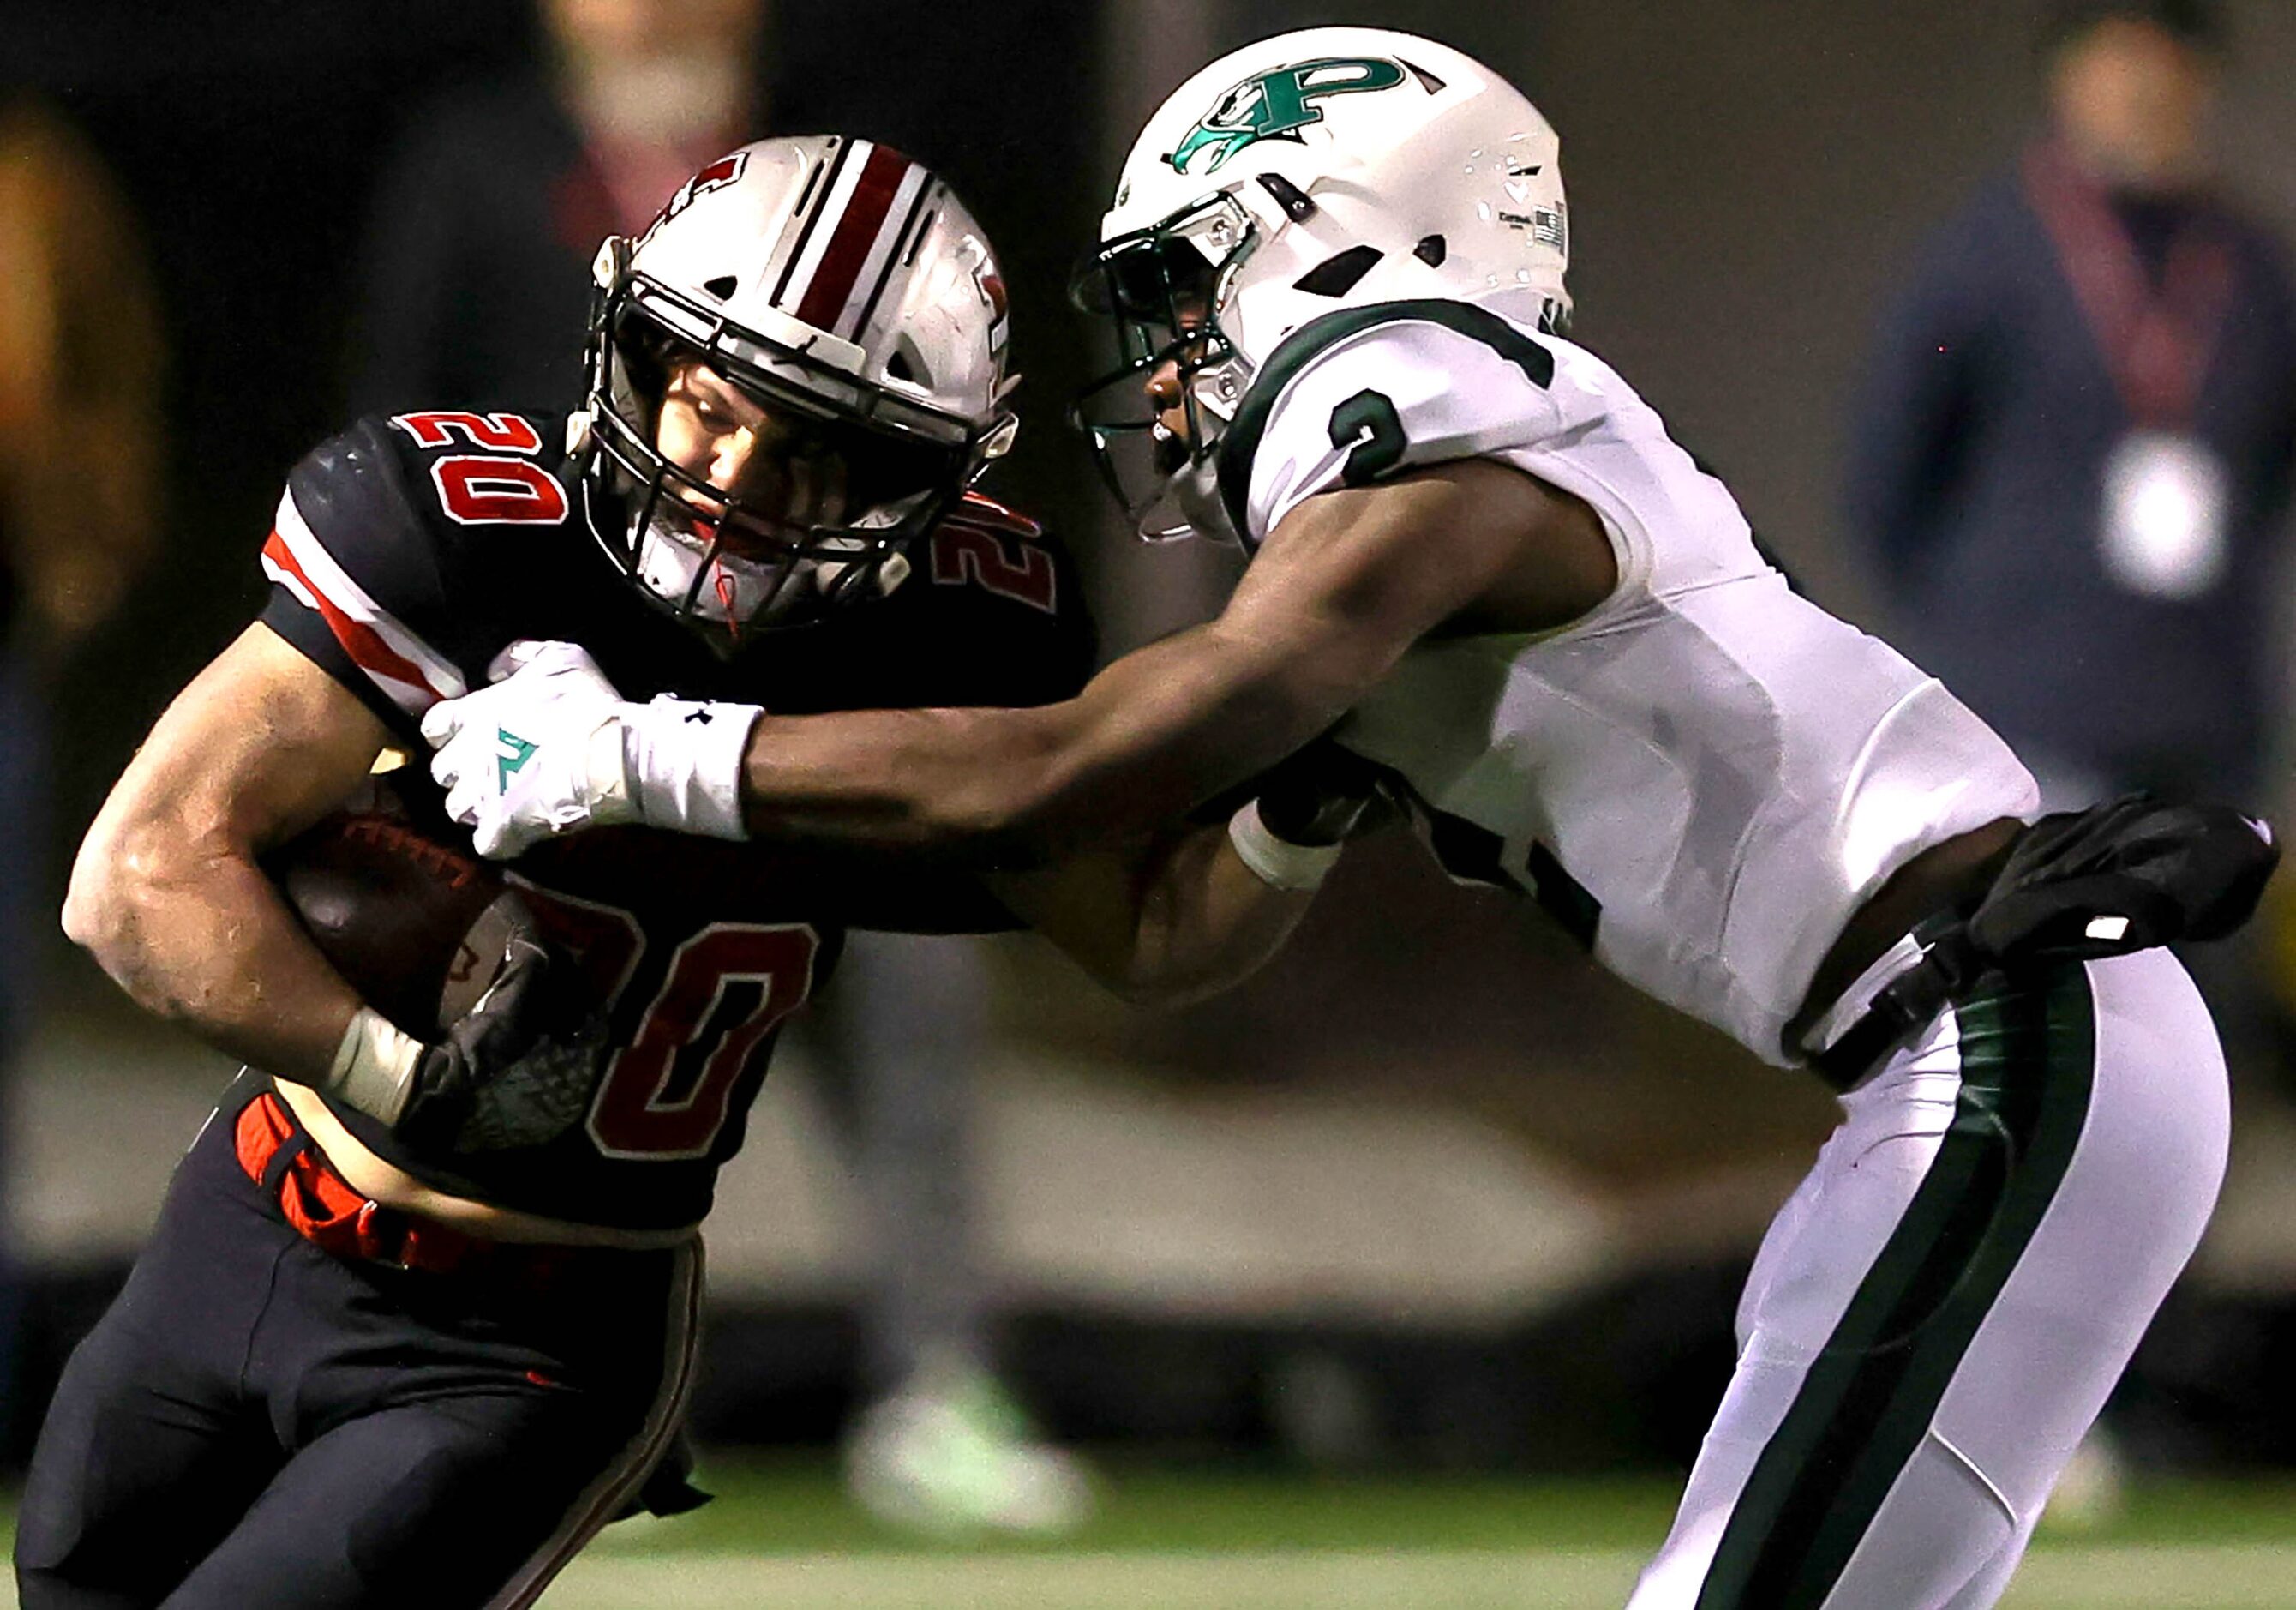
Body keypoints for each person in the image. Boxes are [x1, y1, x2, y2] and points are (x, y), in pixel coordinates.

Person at [424, 30, 2271, 1609]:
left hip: (2001, 1034)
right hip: (1953, 1053)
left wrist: (655, 753)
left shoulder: (1430, 405)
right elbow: (1166, 932)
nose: (1157, 368)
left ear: (1339, 240)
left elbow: (1114, 752)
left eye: (1173, 294)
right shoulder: (1407, 565)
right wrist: (786, 796)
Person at [16, 138, 1341, 1608]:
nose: (728, 480)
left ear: (918, 475)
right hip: (250, 1218)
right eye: (706, 407)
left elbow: (1151, 932)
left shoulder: (964, 635)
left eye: (809, 453)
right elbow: (136, 873)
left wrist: (1317, 795)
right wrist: (402, 1072)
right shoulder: (462, 530)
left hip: (530, 1337)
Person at [349, 5, 1089, 1527]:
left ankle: (935, 1379)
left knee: (915, 1053)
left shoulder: (844, 173)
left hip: (818, 711)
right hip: (552, 716)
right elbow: (408, 432)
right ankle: (499, 1371)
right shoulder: (480, 158)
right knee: (531, 1048)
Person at [1845, 0, 2296, 814]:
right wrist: (1981, 625)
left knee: (2195, 934)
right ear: (2066, 78)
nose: (2141, 90)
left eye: (2165, 63)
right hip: (2021, 714)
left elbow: (2266, 478)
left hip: (2204, 722)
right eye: (2117, 61)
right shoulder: (1984, 255)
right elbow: (1889, 472)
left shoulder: (2251, 268)